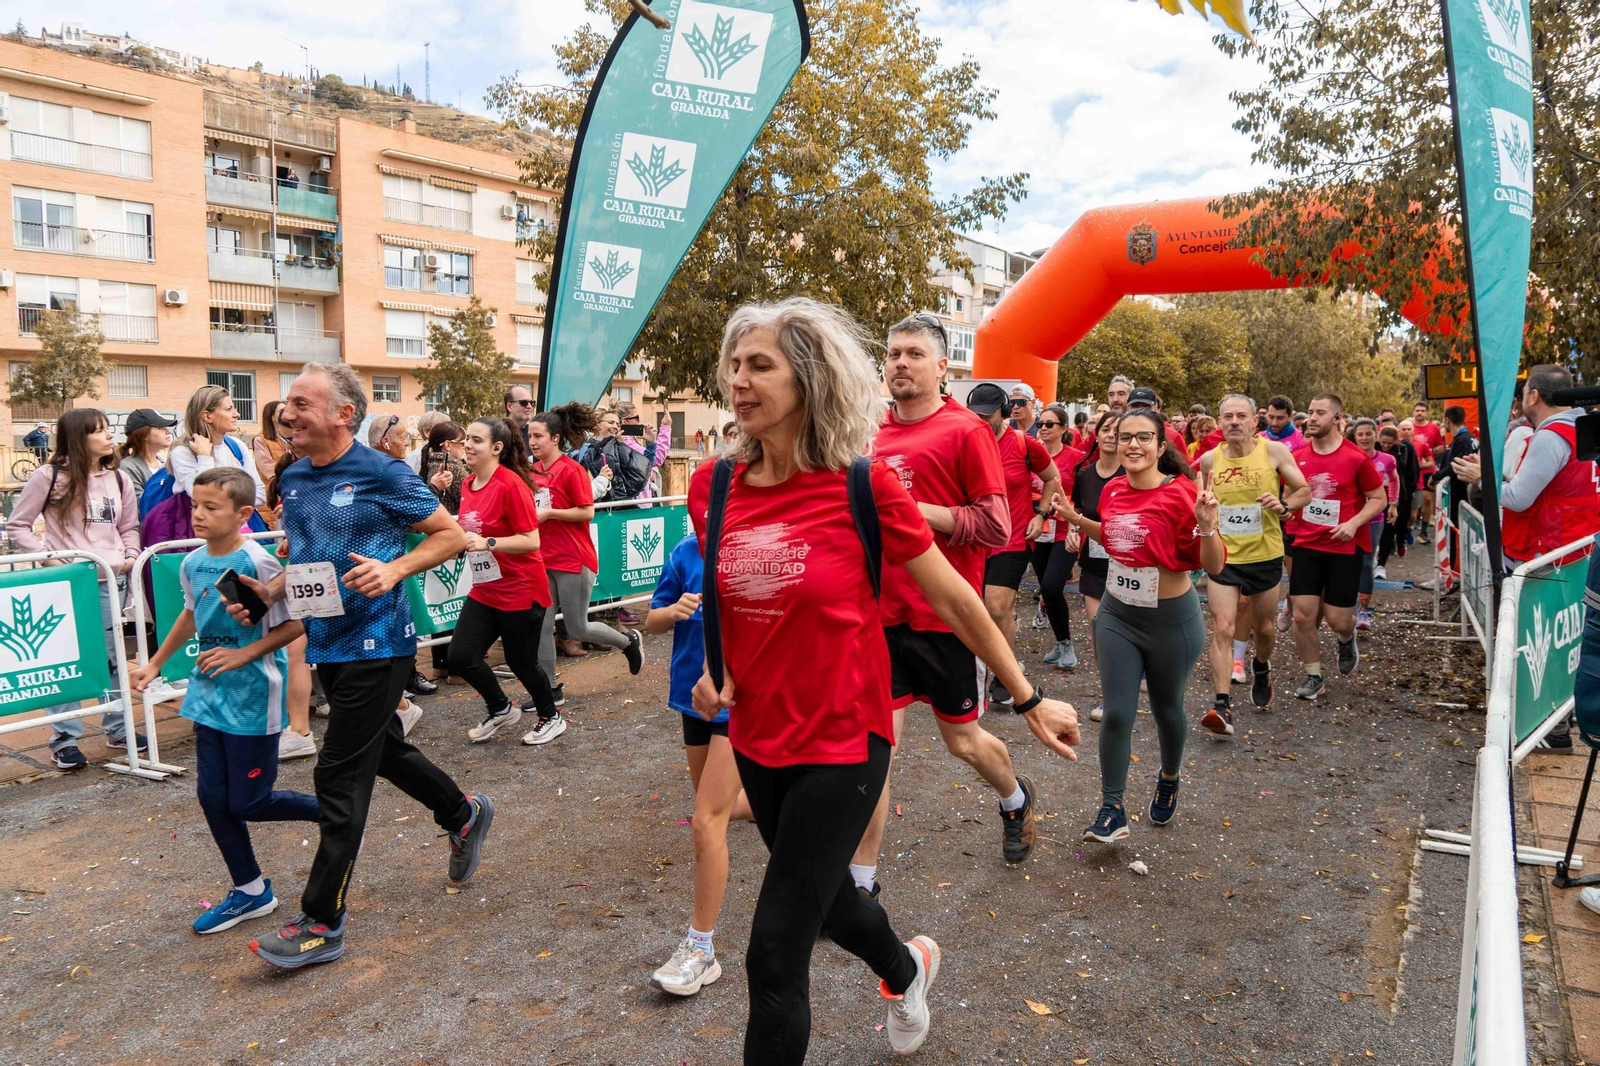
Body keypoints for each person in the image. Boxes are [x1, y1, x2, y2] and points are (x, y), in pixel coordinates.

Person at [688, 297, 1080, 1063]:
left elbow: (955, 597)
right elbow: (731, 589)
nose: (739, 380)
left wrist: (1028, 696)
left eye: (760, 364)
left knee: (774, 951)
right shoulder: (716, 486)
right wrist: (715, 667)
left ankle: (903, 965)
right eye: (734, 364)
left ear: (809, 379)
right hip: (760, 732)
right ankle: (908, 968)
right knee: (833, 904)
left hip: (844, 734)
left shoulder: (861, 486)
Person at [225, 361, 493, 970]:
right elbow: (308, 558)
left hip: (379, 644)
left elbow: (449, 535)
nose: (286, 413)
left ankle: (322, 922)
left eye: (301, 403)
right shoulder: (295, 477)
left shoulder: (382, 471)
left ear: (343, 414)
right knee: (384, 751)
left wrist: (395, 569)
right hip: (326, 642)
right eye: (287, 404)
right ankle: (463, 813)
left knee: (339, 776)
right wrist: (268, 593)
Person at [852, 314, 1058, 894]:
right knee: (874, 753)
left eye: (914, 353)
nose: (900, 363)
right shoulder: (866, 431)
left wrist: (911, 512)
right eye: (893, 353)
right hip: (878, 617)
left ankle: (1015, 798)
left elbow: (994, 526)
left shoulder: (966, 431)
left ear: (943, 367)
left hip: (943, 617)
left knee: (962, 742)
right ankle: (861, 885)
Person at [128, 467, 319, 934]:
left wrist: (244, 654)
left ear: (243, 513)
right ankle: (250, 891)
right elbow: (192, 615)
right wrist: (155, 663)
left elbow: (296, 623)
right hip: (207, 694)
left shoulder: (259, 563)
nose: (198, 514)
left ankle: (336, 813)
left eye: (211, 507)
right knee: (213, 798)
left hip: (253, 697)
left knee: (250, 802)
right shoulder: (192, 562)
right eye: (195, 505)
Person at [1053, 408, 1224, 843]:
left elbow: (1215, 565)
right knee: (1117, 712)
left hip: (1171, 621)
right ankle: (1112, 808)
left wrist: (1207, 527)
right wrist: (1075, 520)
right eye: (1125, 436)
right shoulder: (1112, 489)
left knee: (1167, 709)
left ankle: (1169, 776)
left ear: (1161, 446)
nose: (1132, 444)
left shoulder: (1183, 493)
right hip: (1117, 615)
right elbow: (1114, 536)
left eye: (1144, 437)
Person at [646, 529, 755, 995]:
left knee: (706, 820)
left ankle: (701, 948)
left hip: (739, 702)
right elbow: (652, 619)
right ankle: (781, 805)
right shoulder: (685, 551)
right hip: (691, 699)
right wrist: (674, 610)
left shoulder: (757, 549)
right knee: (716, 807)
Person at [5, 408, 143, 769]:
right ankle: (65, 739)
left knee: (113, 658)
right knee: (68, 660)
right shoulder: (49, 476)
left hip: (113, 581)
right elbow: (18, 526)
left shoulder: (119, 479)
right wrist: (52, 560)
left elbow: (129, 527)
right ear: (78, 438)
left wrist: (130, 556)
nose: (109, 436)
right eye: (99, 430)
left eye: (108, 429)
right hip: (67, 585)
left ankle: (119, 729)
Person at [530, 402, 644, 739]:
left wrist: (550, 514)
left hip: (573, 559)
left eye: (538, 436)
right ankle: (550, 689)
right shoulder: (531, 471)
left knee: (577, 627)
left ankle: (627, 642)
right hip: (543, 559)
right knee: (543, 627)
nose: (532, 441)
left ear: (556, 438)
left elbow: (586, 512)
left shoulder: (571, 470)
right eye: (530, 436)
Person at [1196, 395, 1310, 733]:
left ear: (1253, 422)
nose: (1234, 422)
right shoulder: (1208, 460)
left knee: (1265, 628)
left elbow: (1304, 491)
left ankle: (1261, 665)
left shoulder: (1273, 452)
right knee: (1223, 627)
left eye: (1241, 416)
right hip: (1224, 555)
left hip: (1264, 553)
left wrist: (1284, 504)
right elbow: (1197, 499)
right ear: (1219, 422)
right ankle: (1222, 705)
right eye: (1228, 416)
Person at [450, 418, 563, 744]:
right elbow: (472, 529)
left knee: (520, 661)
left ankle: (551, 717)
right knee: (461, 656)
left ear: (496, 448)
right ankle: (500, 708)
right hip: (486, 588)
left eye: (477, 440)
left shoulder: (511, 485)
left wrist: (488, 543)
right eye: (467, 439)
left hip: (521, 588)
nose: (468, 445)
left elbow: (531, 541)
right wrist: (460, 544)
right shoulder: (468, 484)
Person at [1285, 394, 1388, 699]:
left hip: (1344, 546)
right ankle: (1313, 676)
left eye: (1321, 413)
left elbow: (1379, 499)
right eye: (1311, 412)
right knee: (1302, 615)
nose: (1312, 418)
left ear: (1337, 419)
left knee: (1337, 620)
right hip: (1306, 543)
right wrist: (1283, 509)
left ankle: (1346, 637)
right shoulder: (1297, 457)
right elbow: (1290, 496)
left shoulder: (1355, 457)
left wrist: (1353, 524)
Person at [970, 381, 1062, 706]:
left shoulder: (1024, 444)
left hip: (1012, 537)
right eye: (976, 415)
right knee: (979, 609)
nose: (981, 420)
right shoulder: (966, 443)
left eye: (988, 415)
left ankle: (1005, 678)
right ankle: (992, 667)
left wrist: (1041, 514)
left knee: (996, 605)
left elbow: (1052, 478)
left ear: (1005, 412)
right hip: (974, 539)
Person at [261, 412, 319, 762]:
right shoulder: (294, 477)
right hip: (306, 575)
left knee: (318, 651)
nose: (293, 437)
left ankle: (399, 707)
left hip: (334, 576)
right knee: (297, 649)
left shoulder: (336, 473)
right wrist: (292, 540)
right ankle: (299, 730)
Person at [1067, 411, 1124, 722]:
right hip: (1094, 563)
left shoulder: (1133, 473)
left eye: (1119, 430)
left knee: (1127, 632)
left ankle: (1136, 676)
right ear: (1096, 435)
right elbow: (1078, 511)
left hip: (1130, 566)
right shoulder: (1085, 475)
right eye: (1106, 430)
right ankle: (1110, 697)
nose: (1112, 435)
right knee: (1100, 630)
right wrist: (1073, 532)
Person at [1034, 402, 1083, 669]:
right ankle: (1061, 640)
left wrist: (1073, 518)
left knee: (1052, 586)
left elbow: (1083, 497)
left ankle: (1066, 645)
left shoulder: (1076, 458)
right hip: (1038, 530)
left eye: (1049, 424)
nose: (1043, 428)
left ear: (1064, 428)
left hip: (1066, 530)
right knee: (1047, 590)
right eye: (1040, 424)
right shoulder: (1032, 454)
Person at [167, 385, 268, 509]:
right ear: (207, 416)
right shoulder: (182, 452)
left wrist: (221, 503)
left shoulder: (236, 446)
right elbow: (203, 495)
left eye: (234, 408)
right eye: (229, 409)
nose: (237, 414)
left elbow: (259, 493)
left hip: (237, 522)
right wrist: (204, 457)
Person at [1352, 418, 1400, 632]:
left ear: (1376, 435)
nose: (1364, 438)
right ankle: (1347, 605)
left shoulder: (1387, 459)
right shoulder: (1349, 457)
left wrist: (1393, 504)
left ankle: (1363, 610)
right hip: (1349, 518)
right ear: (1355, 437)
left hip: (1374, 518)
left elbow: (1394, 479)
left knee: (1366, 563)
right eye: (1360, 434)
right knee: (1346, 562)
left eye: (1368, 434)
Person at [1376, 423, 1419, 573]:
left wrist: (1396, 451)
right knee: (1378, 529)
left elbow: (1402, 467)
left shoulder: (1403, 449)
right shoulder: (1374, 447)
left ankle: (1382, 562)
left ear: (1396, 440)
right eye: (1383, 442)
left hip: (1396, 494)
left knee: (1393, 527)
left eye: (1390, 443)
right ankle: (1377, 559)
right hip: (1376, 493)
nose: (1386, 446)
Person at [117, 408, 176, 500]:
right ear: (144, 435)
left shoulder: (162, 462)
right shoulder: (128, 467)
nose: (167, 431)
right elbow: (140, 504)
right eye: (159, 427)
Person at [420, 421, 469, 516]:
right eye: (462, 443)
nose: (466, 447)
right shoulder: (452, 468)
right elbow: (474, 499)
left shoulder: (432, 463)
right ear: (448, 445)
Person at [1126, 386, 1188, 458]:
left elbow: (1184, 463)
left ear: (1156, 408)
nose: (1141, 411)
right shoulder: (1118, 433)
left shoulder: (1172, 436)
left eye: (1146, 407)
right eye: (1135, 407)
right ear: (1127, 408)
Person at [252, 400, 288, 488]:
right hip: (273, 488)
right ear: (272, 417)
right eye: (281, 411)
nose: (286, 413)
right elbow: (268, 467)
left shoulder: (289, 436)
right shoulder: (260, 439)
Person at [505, 383, 536, 451]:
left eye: (532, 403)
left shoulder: (534, 433)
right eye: (523, 402)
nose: (529, 406)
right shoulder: (497, 432)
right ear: (509, 407)